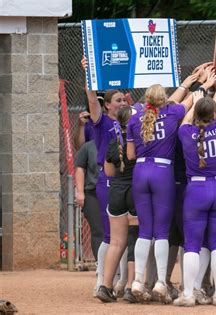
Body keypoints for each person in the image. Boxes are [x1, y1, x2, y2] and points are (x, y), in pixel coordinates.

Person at [126, 75, 198, 302]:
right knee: (162, 232)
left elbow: (130, 155)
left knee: (144, 231)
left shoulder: (134, 118)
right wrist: (193, 83)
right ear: (163, 100)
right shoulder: (172, 113)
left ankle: (137, 281)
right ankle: (159, 283)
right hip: (162, 171)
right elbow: (187, 101)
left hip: (140, 172)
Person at [174, 83, 216, 307]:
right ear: (214, 114)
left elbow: (187, 119)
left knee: (192, 245)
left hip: (196, 190)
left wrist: (197, 98)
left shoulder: (185, 131)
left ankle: (188, 294)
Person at [82, 57, 129, 294]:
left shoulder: (129, 123)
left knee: (123, 233)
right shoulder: (101, 123)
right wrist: (89, 72)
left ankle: (120, 280)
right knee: (110, 235)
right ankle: (102, 280)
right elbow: (92, 100)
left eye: (125, 99)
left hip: (126, 180)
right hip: (108, 180)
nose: (123, 102)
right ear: (108, 105)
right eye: (118, 100)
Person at [96, 106, 135, 303]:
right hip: (136, 192)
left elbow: (109, 172)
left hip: (117, 191)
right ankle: (130, 287)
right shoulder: (139, 139)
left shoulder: (114, 142)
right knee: (135, 239)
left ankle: (106, 285)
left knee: (116, 242)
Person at [74, 139, 102, 262]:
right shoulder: (89, 147)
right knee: (98, 230)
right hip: (92, 192)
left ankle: (116, 267)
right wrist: (80, 192)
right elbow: (80, 169)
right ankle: (100, 263)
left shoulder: (116, 142)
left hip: (114, 191)